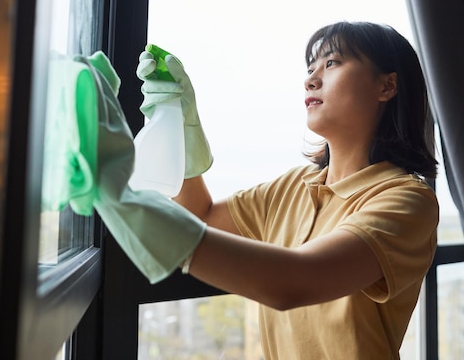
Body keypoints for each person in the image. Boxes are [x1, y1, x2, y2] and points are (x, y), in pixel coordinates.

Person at [136, 21, 439, 359]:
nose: (311, 79)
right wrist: (177, 124)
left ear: (387, 85)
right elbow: (198, 218)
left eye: (332, 63)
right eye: (311, 68)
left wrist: (125, 203)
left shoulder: (407, 200)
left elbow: (294, 280)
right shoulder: (292, 187)